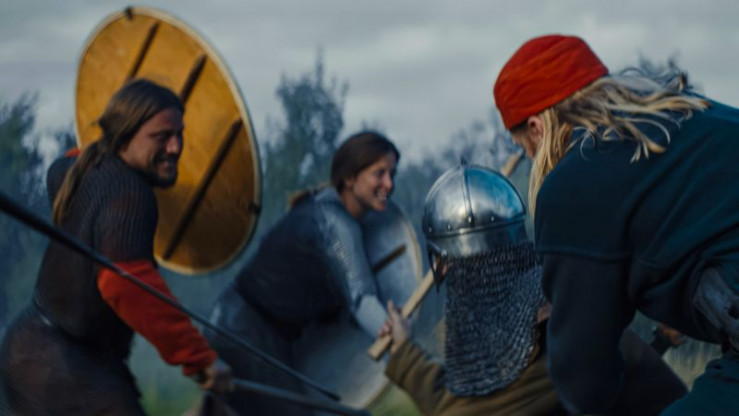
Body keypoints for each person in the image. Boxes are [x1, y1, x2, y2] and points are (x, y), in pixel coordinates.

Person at [492, 34, 739, 415]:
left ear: (538, 128)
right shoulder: (700, 114)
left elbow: (584, 381)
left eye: (525, 148)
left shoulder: (574, 183)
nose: (530, 157)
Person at [0, 79, 231, 416]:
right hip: (61, 363)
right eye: (162, 136)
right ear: (125, 135)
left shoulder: (79, 169)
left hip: (31, 351)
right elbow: (126, 284)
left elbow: (59, 167)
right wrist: (199, 358)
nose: (175, 147)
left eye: (179, 134)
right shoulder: (130, 194)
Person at [379, 163, 687, 416]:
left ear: (446, 263)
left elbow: (466, 408)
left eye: (443, 262)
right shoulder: (553, 299)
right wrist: (405, 352)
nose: (443, 271)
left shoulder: (550, 319)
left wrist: (406, 355)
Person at [207, 131, 399, 415]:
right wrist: (402, 346)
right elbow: (361, 299)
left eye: (392, 174)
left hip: (246, 331)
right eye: (379, 173)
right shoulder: (335, 224)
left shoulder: (322, 207)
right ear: (349, 178)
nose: (389, 184)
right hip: (243, 334)